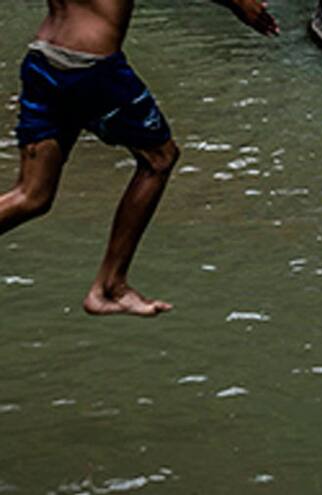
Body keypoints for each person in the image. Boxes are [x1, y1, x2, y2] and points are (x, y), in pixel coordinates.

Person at [0, 0, 279, 317]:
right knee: (159, 158)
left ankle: (110, 287)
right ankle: (110, 286)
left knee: (31, 195)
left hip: (44, 57)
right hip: (92, 69)